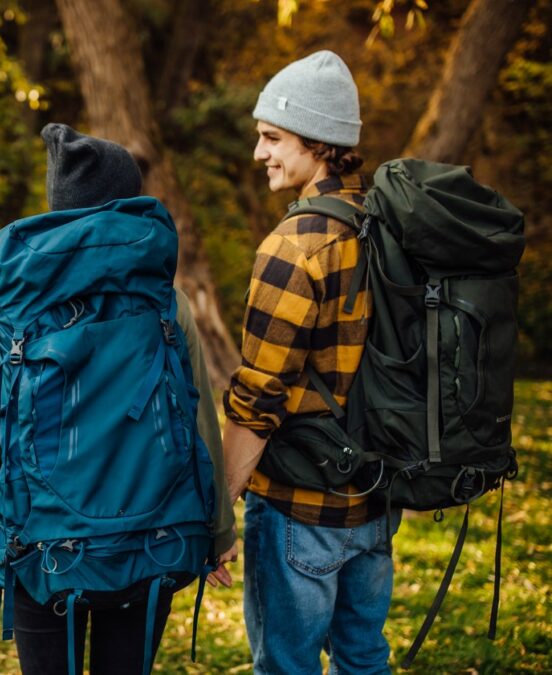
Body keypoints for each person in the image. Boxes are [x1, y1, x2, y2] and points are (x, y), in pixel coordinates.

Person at [0, 123, 238, 674]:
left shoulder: (5, 305)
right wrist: (217, 530)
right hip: (152, 537)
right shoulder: (166, 299)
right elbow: (198, 419)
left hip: (37, 544)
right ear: (127, 202)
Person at [221, 50, 402, 674]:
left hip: (299, 505)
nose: (259, 153)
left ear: (319, 142)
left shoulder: (296, 245)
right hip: (375, 500)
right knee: (364, 660)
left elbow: (258, 395)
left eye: (272, 137)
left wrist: (220, 506)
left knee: (286, 667)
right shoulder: (389, 227)